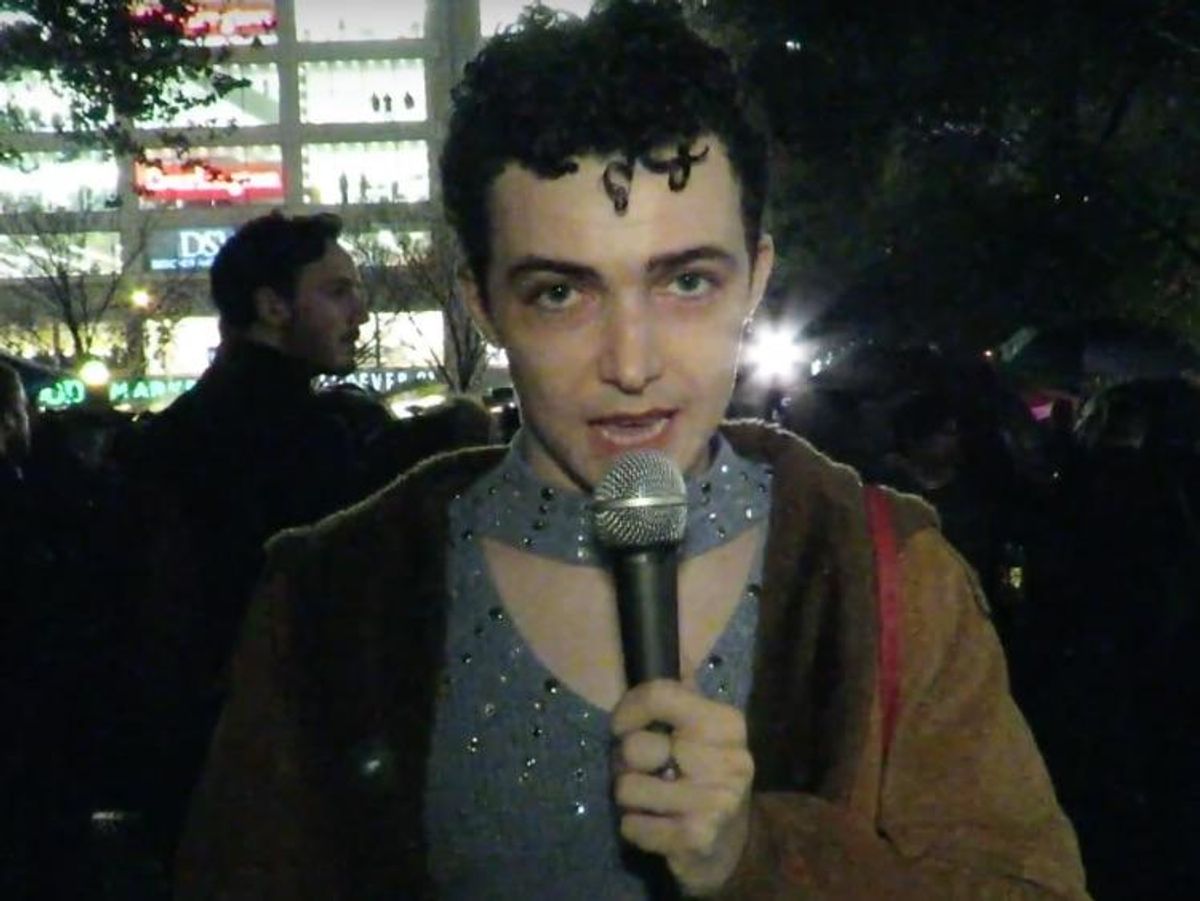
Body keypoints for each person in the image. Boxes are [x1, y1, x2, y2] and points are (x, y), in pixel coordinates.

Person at [177, 3, 1087, 898]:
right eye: (561, 293)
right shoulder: (333, 597)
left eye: (686, 281)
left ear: (756, 279)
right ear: (484, 304)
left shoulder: (883, 568)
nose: (631, 362)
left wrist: (765, 858)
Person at [121, 210, 370, 876]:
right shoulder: (311, 440)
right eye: (338, 291)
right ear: (272, 306)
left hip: (190, 768)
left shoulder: (166, 438)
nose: (360, 313)